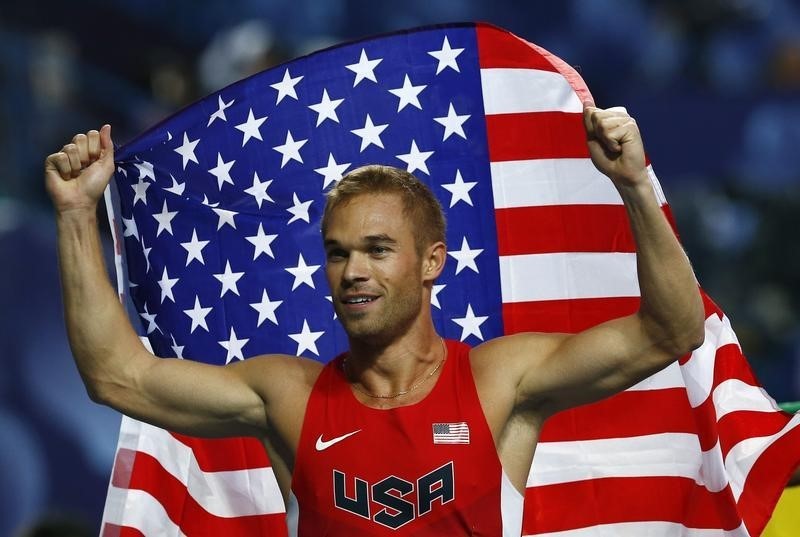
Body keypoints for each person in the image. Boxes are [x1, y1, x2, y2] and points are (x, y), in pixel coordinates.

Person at [44, 103, 705, 536]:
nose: (353, 270)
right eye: (338, 253)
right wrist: (77, 213)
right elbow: (117, 377)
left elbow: (671, 330)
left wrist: (636, 185)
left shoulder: (501, 380)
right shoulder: (288, 396)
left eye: (377, 250)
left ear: (431, 262)